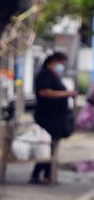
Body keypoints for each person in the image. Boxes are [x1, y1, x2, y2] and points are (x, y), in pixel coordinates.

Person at [30, 52, 77, 184]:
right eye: (61, 63)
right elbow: (44, 92)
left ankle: (47, 174)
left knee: (51, 147)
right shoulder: (44, 74)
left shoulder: (53, 75)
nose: (62, 66)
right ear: (54, 61)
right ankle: (39, 174)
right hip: (48, 117)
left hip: (56, 116)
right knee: (46, 146)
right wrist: (66, 93)